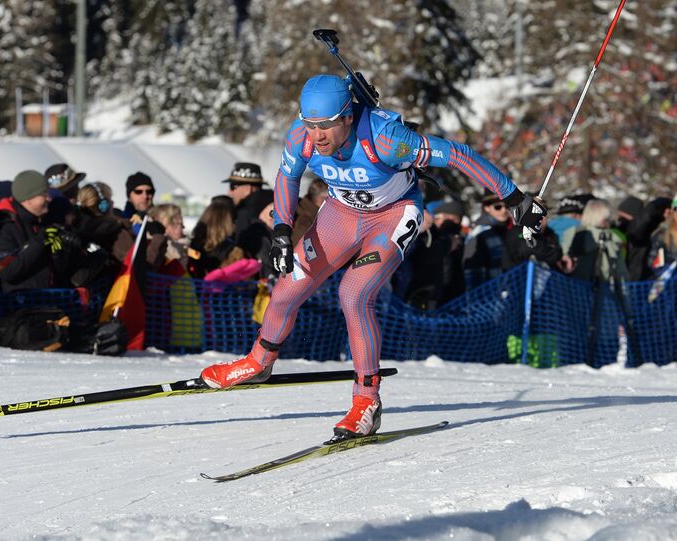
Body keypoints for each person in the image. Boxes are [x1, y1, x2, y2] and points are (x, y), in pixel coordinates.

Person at [199, 74, 547, 439]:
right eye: (310, 124)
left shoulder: (387, 139)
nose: (317, 136)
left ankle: (367, 401)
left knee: (353, 294)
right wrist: (283, 230)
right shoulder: (301, 136)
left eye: (326, 126)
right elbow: (288, 176)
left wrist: (514, 199)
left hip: (393, 215)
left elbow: (458, 154)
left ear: (348, 116)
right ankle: (258, 362)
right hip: (341, 214)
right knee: (288, 285)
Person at [0, 170, 86, 292]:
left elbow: (62, 273)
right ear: (28, 199)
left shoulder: (45, 220)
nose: (49, 198)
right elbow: (7, 272)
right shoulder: (5, 227)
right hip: (19, 304)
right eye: (44, 194)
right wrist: (40, 241)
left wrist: (61, 254)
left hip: (50, 301)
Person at [462, 193, 511, 290]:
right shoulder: (480, 232)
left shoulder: (503, 229)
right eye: (498, 207)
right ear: (487, 208)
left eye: (507, 206)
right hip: (491, 294)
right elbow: (472, 269)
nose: (504, 210)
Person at [223, 162, 265, 236]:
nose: (229, 192)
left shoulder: (244, 214)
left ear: (248, 189)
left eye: (233, 186)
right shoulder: (276, 208)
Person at [291, 177, 328, 244]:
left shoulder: (308, 210)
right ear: (319, 198)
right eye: (327, 198)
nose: (330, 201)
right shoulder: (306, 220)